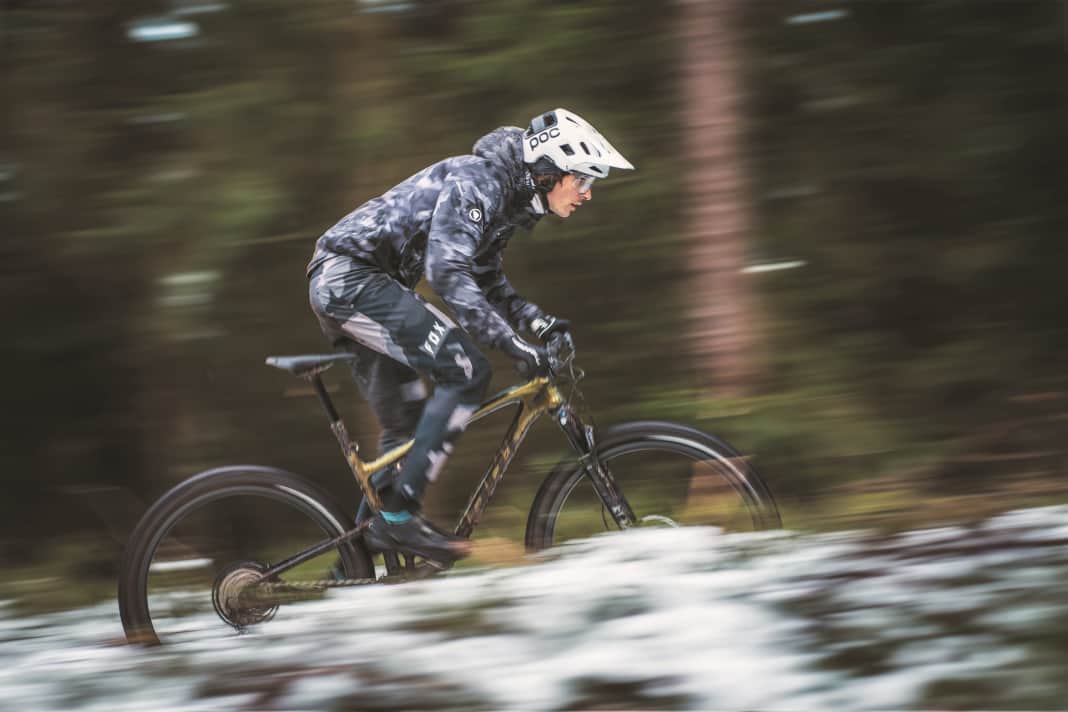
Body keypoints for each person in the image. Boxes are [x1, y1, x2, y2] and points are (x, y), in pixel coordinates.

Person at [307, 108, 633, 565]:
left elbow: (486, 280)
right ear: (549, 171)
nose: (587, 194)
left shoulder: (503, 201)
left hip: (356, 286)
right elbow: (446, 272)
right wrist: (511, 344)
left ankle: (352, 573)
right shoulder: (478, 183)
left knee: (406, 426)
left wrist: (537, 323)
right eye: (582, 180)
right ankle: (399, 521)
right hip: (350, 281)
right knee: (465, 369)